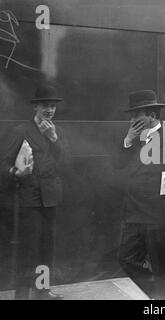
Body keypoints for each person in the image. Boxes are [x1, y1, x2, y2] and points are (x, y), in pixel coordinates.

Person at [114, 90, 165, 300]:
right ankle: (160, 294)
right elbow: (117, 165)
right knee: (126, 258)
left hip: (159, 215)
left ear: (153, 116)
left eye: (137, 115)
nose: (133, 120)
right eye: (131, 115)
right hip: (134, 214)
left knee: (162, 267)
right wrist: (128, 140)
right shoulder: (133, 140)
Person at [0, 85, 70, 300]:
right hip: (29, 200)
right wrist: (15, 172)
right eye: (45, 106)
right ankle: (21, 296)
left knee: (46, 249)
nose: (49, 110)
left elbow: (67, 164)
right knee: (28, 251)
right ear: (36, 107)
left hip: (50, 200)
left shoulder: (57, 132)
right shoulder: (21, 131)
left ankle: (42, 292)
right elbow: (3, 164)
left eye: (52, 106)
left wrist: (54, 138)